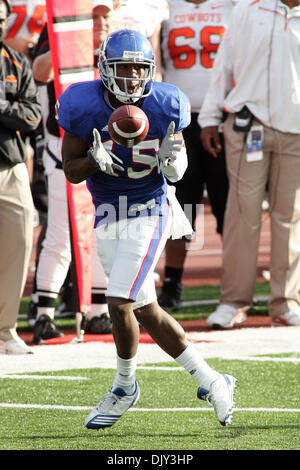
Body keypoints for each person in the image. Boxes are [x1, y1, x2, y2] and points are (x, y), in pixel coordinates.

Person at [56, 28, 237, 429]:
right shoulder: (81, 104)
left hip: (150, 208)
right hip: (108, 210)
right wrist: (92, 159)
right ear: (105, 69)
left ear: (151, 70)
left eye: (140, 69)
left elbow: (178, 166)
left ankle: (124, 386)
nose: (133, 78)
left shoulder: (167, 102)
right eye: (124, 69)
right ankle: (212, 378)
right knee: (146, 310)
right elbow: (70, 170)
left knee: (118, 300)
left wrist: (174, 165)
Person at [199, 0, 300, 328]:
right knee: (242, 214)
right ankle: (233, 301)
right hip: (248, 125)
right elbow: (223, 63)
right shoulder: (248, 7)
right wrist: (210, 116)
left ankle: (286, 301)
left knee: (291, 216)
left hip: (297, 131)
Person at [29, 0, 114, 344]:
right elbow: (39, 71)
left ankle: (96, 309)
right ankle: (43, 312)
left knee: (102, 231)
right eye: (94, 16)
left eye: (106, 15)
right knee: (63, 233)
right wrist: (69, 41)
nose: (102, 23)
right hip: (65, 151)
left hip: (107, 153)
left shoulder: (117, 48)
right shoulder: (57, 44)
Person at [157, 0, 234, 311]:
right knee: (181, 207)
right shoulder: (165, 8)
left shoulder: (234, 6)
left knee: (230, 209)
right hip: (179, 124)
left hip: (224, 118)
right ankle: (172, 283)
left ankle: (233, 285)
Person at [0, 0, 42, 354]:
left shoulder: (15, 61)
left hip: (10, 166)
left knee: (19, 242)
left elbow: (32, 116)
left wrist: (2, 108)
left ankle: (4, 329)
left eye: (1, 20)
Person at [110, 0, 169, 81]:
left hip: (139, 66)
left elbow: (154, 54)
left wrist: (156, 81)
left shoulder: (153, 4)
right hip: (107, 65)